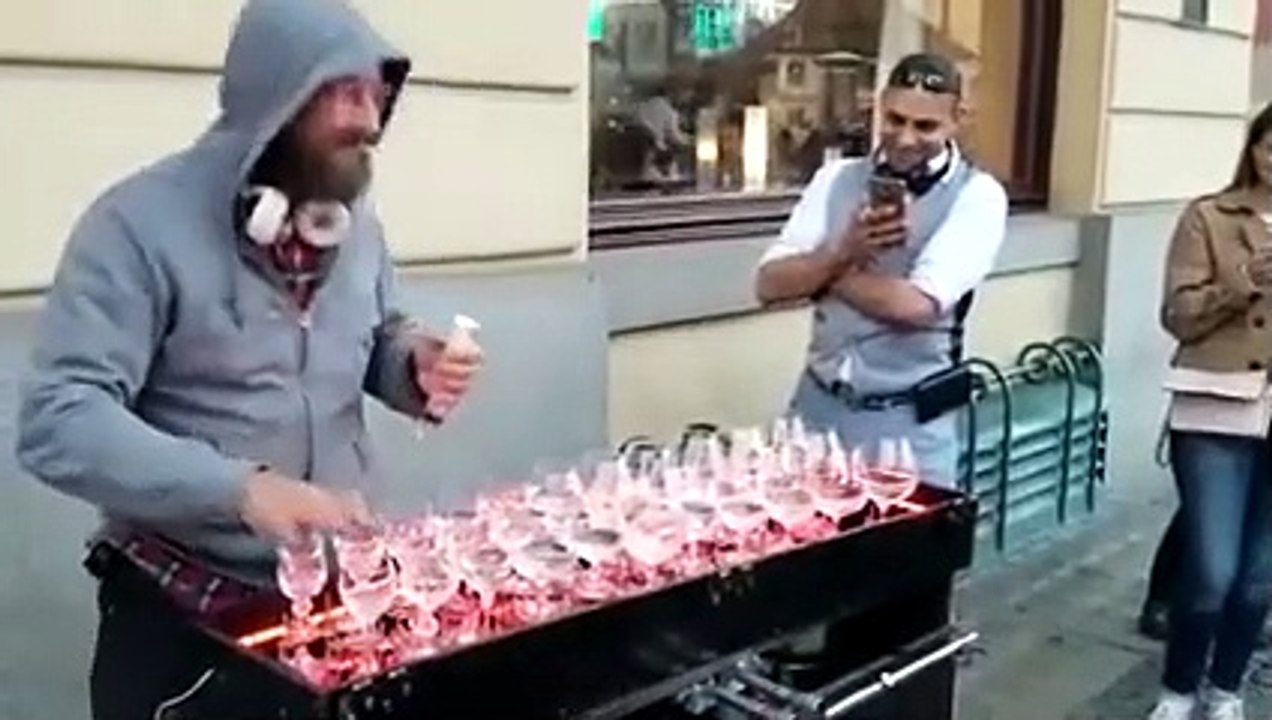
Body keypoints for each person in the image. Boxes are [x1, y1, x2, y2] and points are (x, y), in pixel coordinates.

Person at [13, 0, 483, 717]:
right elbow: (58, 419)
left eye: (375, 95)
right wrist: (241, 489)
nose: (367, 120)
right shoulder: (135, 226)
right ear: (276, 96)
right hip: (184, 622)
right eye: (343, 92)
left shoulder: (351, 222)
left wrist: (409, 363)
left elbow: (376, 334)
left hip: (330, 604)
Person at [754, 52, 1008, 489]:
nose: (905, 138)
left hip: (908, 425)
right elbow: (768, 284)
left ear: (957, 120)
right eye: (895, 120)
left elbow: (913, 307)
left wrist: (827, 268)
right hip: (815, 413)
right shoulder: (835, 178)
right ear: (879, 107)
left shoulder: (977, 196)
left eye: (925, 126)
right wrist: (844, 253)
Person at [1145, 101, 1272, 720]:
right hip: (1215, 410)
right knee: (1212, 570)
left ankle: (1226, 691)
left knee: (1259, 577)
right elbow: (1179, 314)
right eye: (1270, 146)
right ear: (1254, 150)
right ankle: (1177, 690)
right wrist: (1244, 280)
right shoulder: (1209, 217)